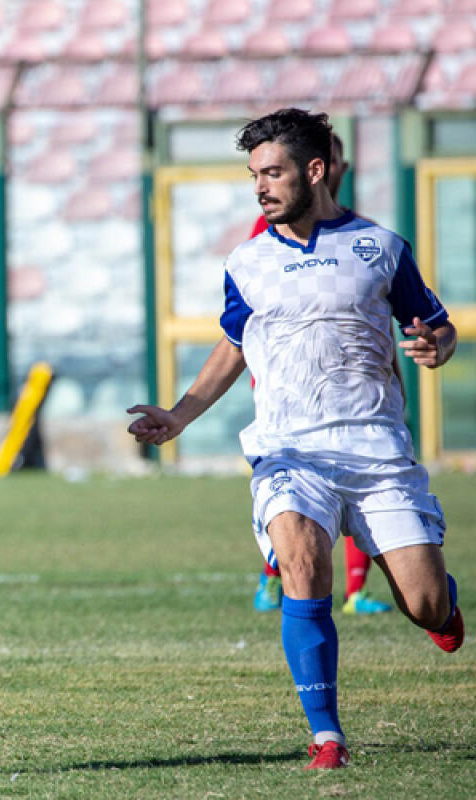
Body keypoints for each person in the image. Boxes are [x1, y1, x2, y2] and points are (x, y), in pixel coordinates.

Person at [127, 109, 463, 770]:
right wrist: (180, 415)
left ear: (316, 170)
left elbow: (437, 323)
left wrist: (435, 344)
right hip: (288, 449)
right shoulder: (247, 262)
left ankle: (442, 613)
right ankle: (326, 735)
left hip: (376, 451)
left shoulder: (380, 248)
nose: (260, 186)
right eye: (254, 174)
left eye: (273, 172)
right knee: (303, 562)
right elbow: (234, 346)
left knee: (424, 603)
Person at [249, 133, 392, 617]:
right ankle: (276, 576)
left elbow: (376, 318)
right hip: (290, 394)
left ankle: (356, 590)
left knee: (362, 477)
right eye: (260, 175)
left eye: (333, 161)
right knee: (293, 494)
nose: (329, 169)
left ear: (337, 168)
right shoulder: (267, 235)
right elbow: (249, 318)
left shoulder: (367, 239)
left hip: (356, 394)